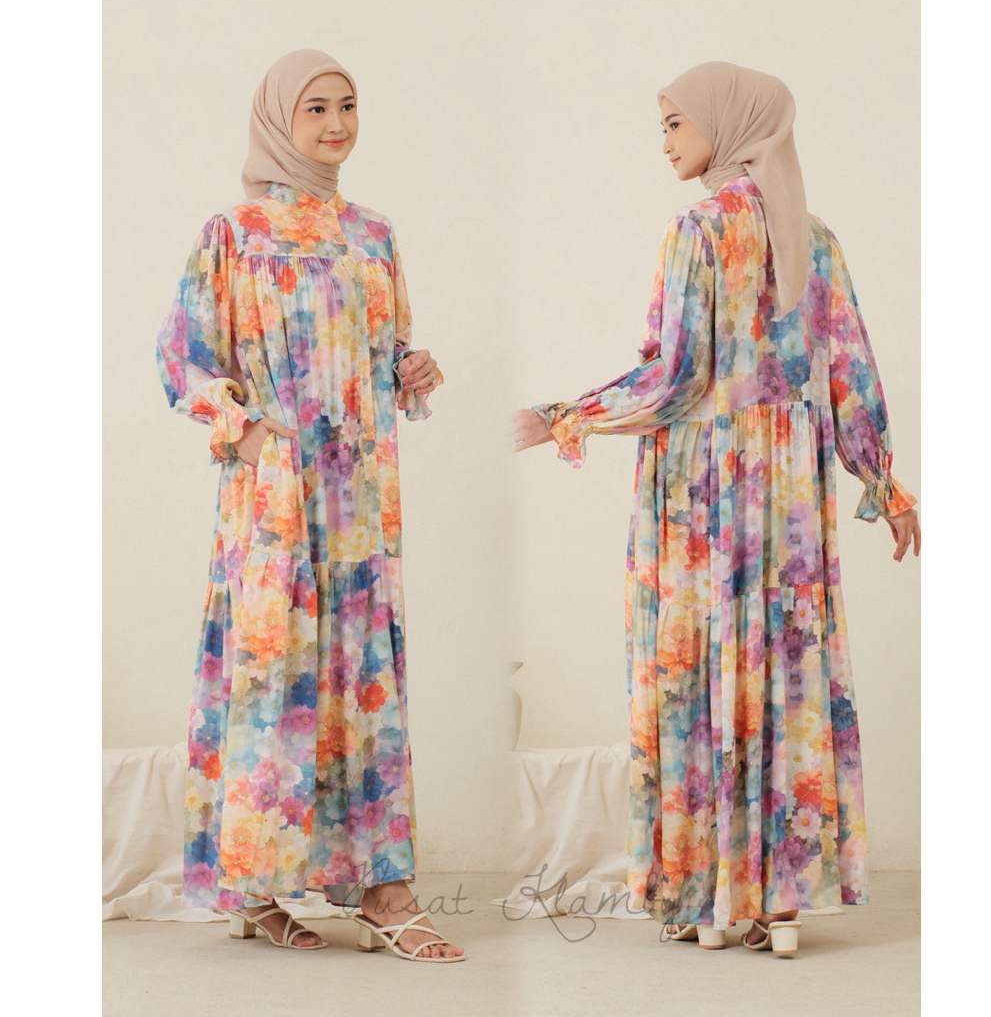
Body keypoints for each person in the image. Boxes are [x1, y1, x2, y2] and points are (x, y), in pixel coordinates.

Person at [513, 61, 920, 957]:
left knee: (697, 669)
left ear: (729, 124)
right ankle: (777, 899)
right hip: (789, 495)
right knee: (780, 670)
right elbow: (852, 375)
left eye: (674, 122)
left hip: (701, 490)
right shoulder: (815, 238)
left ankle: (708, 894)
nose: (663, 141)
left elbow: (671, 378)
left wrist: (562, 416)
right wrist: (884, 487)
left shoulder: (697, 232)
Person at [156, 49, 465, 962]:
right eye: (316, 108)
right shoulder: (234, 232)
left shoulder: (373, 234)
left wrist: (411, 366)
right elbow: (182, 357)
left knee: (359, 674)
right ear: (277, 120)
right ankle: (256, 887)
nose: (336, 124)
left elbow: (384, 349)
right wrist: (246, 432)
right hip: (275, 496)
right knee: (272, 675)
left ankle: (383, 890)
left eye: (347, 106)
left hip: (360, 495)